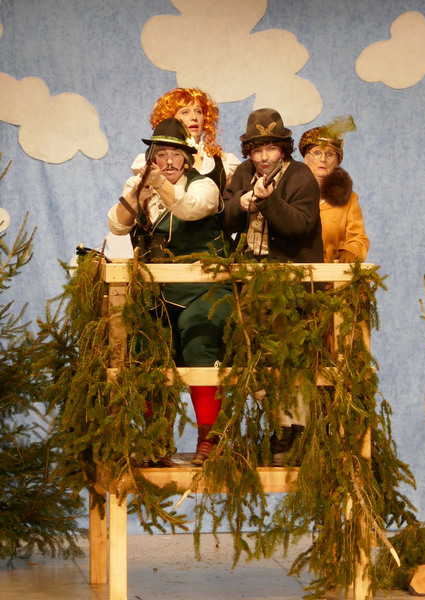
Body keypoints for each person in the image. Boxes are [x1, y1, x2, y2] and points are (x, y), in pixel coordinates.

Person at [108, 118, 232, 466]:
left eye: (175, 154)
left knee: (199, 343)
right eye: (160, 154)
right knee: (147, 348)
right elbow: (116, 225)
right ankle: (156, 439)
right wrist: (137, 194)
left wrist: (159, 184)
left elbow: (190, 209)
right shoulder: (142, 186)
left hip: (205, 290)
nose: (168, 161)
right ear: (151, 158)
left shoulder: (204, 186)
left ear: (187, 159)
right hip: (158, 292)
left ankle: (210, 438)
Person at [223, 108, 324, 466]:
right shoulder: (242, 173)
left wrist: (268, 201)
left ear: (283, 149)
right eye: (257, 149)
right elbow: (224, 216)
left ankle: (296, 431)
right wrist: (241, 203)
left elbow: (300, 225)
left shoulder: (300, 176)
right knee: (247, 349)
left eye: (271, 148)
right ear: (249, 151)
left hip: (290, 282)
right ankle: (283, 424)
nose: (264, 157)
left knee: (289, 356)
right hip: (252, 279)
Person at [131, 87, 240, 195]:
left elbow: (229, 202)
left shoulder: (223, 162)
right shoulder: (151, 160)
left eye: (198, 111)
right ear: (170, 118)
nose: (194, 117)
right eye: (185, 112)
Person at [298, 117, 370, 263]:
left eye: (330, 154)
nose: (323, 159)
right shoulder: (290, 193)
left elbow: (358, 237)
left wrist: (350, 251)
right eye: (316, 153)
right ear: (305, 158)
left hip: (333, 272)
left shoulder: (349, 199)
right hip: (295, 273)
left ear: (337, 162)